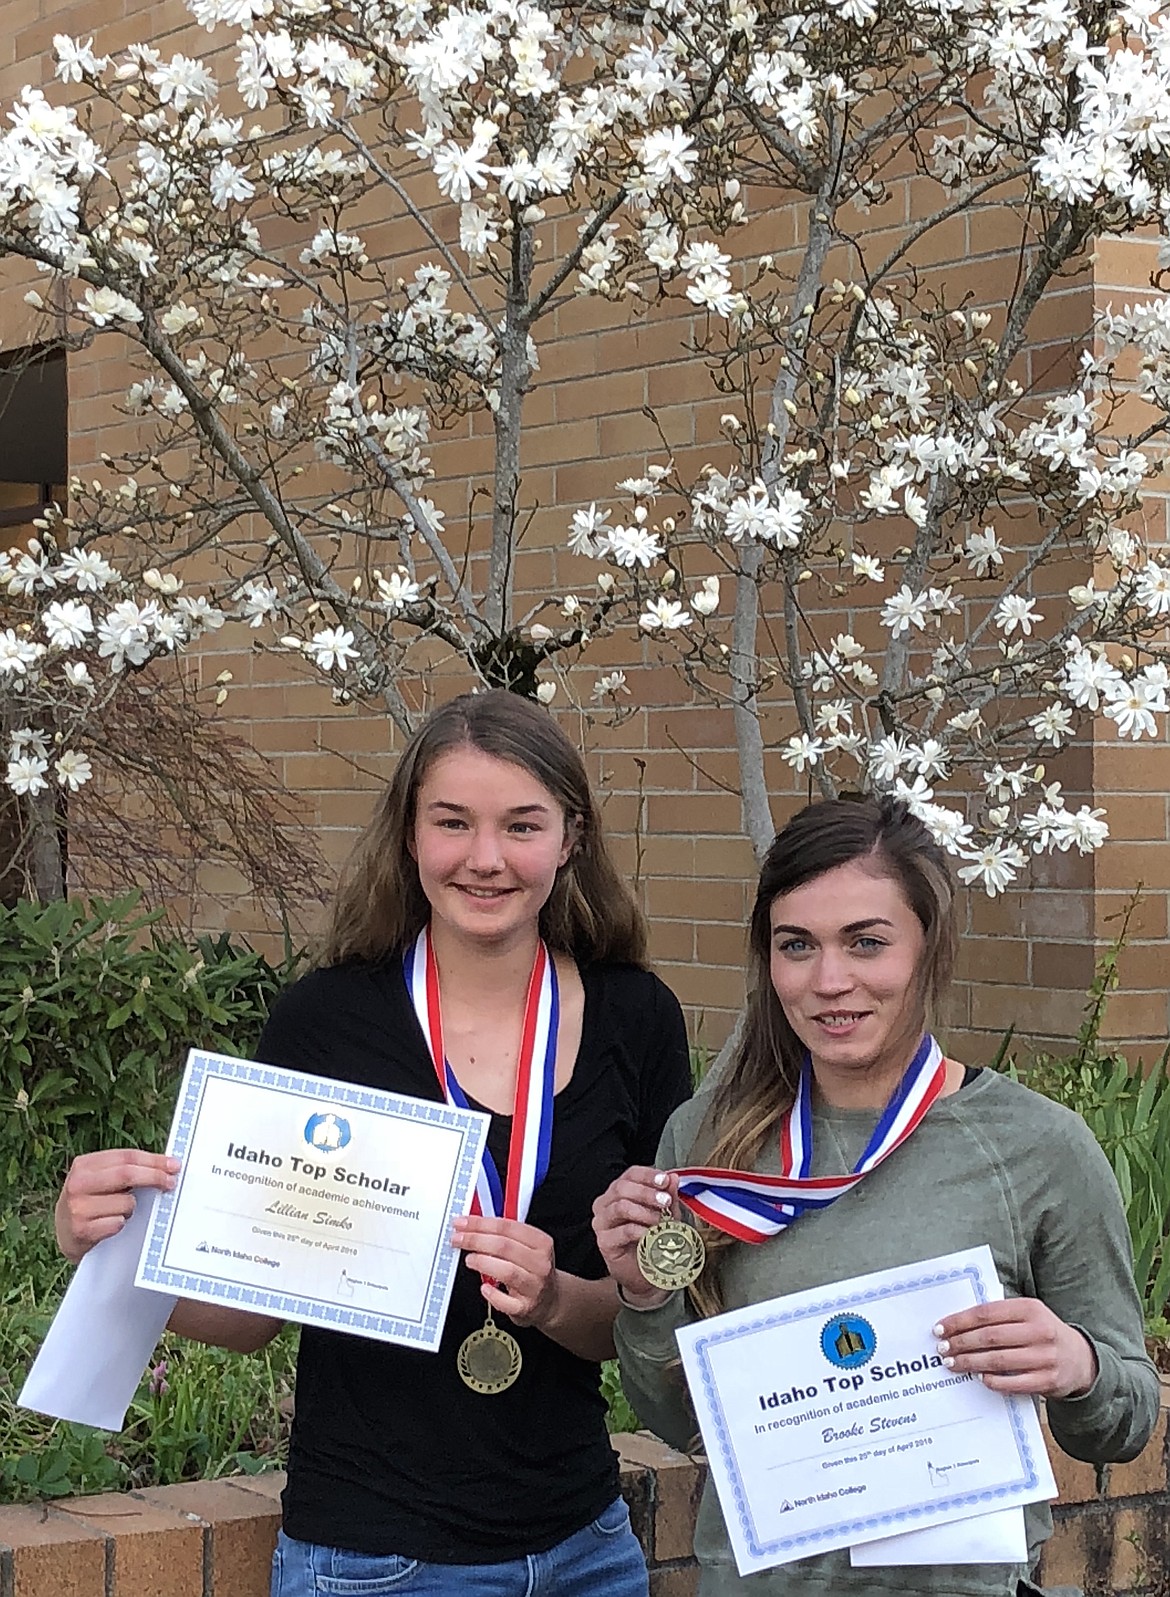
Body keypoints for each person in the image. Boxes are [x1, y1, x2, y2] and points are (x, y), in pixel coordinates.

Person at [55, 688, 692, 1597]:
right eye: (452, 822)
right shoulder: (326, 1021)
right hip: (373, 1560)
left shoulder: (639, 1017)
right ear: (409, 834)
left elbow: (632, 1314)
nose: (485, 858)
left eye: (521, 825)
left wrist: (551, 1296)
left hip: (585, 1545)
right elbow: (254, 1313)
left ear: (571, 838)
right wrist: (108, 1244)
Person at [593, 795, 1159, 1597]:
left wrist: (1077, 1364)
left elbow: (1127, 1419)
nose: (830, 981)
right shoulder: (707, 1144)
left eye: (866, 942)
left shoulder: (1037, 1148)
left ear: (929, 946)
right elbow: (679, 1423)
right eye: (798, 945)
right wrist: (645, 1293)